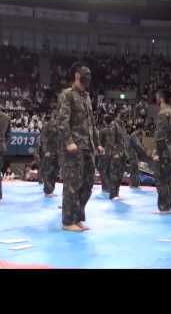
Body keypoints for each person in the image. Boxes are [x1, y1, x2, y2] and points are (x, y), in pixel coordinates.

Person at [57, 62, 104, 232]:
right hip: (74, 148)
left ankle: (78, 217)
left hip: (88, 147)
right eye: (85, 75)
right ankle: (68, 221)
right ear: (77, 76)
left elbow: (92, 123)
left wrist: (97, 143)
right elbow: (62, 121)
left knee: (88, 184)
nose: (88, 78)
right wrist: (68, 141)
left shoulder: (86, 97)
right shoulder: (67, 95)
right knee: (72, 184)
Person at [153, 89, 171, 214]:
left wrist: (158, 153)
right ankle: (169, 206)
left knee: (161, 180)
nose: (156, 99)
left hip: (164, 153)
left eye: (157, 97)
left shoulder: (163, 114)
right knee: (168, 181)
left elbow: (160, 137)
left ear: (161, 98)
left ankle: (163, 207)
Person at [108, 109, 129, 200]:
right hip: (116, 154)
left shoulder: (123, 126)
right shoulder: (114, 124)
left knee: (120, 175)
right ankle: (113, 194)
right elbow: (111, 140)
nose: (125, 117)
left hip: (123, 154)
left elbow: (124, 140)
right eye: (123, 115)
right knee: (114, 175)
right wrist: (115, 152)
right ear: (118, 114)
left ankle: (116, 193)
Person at [40, 110, 60, 197]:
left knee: (55, 172)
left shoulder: (61, 126)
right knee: (48, 171)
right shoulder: (47, 125)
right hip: (50, 151)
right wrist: (46, 150)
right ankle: (47, 191)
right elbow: (43, 138)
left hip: (58, 152)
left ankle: (51, 190)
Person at [98, 114, 114, 193]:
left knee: (102, 170)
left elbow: (100, 143)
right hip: (113, 153)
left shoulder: (103, 131)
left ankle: (106, 187)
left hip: (105, 152)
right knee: (109, 170)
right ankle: (110, 187)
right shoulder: (114, 130)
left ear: (104, 121)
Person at [128, 123, 145, 188]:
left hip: (135, 154)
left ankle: (135, 184)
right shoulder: (134, 135)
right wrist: (144, 150)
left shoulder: (136, 135)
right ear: (140, 129)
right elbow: (138, 145)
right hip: (132, 154)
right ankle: (133, 184)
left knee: (136, 169)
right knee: (133, 169)